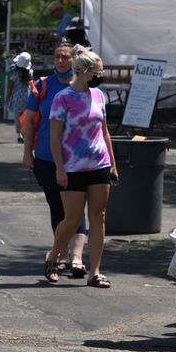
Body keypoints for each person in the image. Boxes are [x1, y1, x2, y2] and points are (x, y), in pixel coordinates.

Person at [43, 45, 118, 288]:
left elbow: (104, 132)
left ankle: (95, 272)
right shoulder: (62, 98)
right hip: (73, 166)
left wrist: (113, 164)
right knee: (73, 219)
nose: (101, 75)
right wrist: (60, 168)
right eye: (98, 71)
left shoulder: (99, 96)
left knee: (99, 216)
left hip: (99, 164)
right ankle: (54, 254)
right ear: (84, 71)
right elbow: (54, 137)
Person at [21, 43, 89, 275]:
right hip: (47, 158)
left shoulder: (82, 85)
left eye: (66, 57)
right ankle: (59, 254)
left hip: (78, 158)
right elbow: (29, 121)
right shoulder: (43, 86)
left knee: (78, 208)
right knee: (58, 208)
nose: (61, 61)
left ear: (74, 60)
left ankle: (77, 257)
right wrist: (27, 152)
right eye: (57, 56)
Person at [7, 52, 33, 144]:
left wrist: (7, 98)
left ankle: (19, 135)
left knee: (17, 118)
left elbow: (10, 87)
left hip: (17, 98)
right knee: (26, 117)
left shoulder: (15, 73)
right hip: (27, 97)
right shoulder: (30, 73)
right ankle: (25, 133)